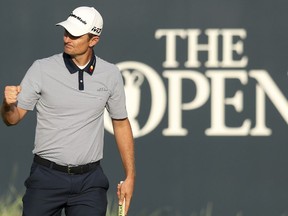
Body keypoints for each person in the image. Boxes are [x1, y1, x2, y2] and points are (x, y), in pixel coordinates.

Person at [1, 6, 135, 216]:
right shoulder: (41, 68)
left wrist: (130, 177)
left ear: (93, 40)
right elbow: (12, 119)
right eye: (66, 32)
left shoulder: (110, 74)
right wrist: (8, 105)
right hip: (46, 178)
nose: (67, 38)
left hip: (90, 183)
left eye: (75, 34)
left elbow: (121, 123)